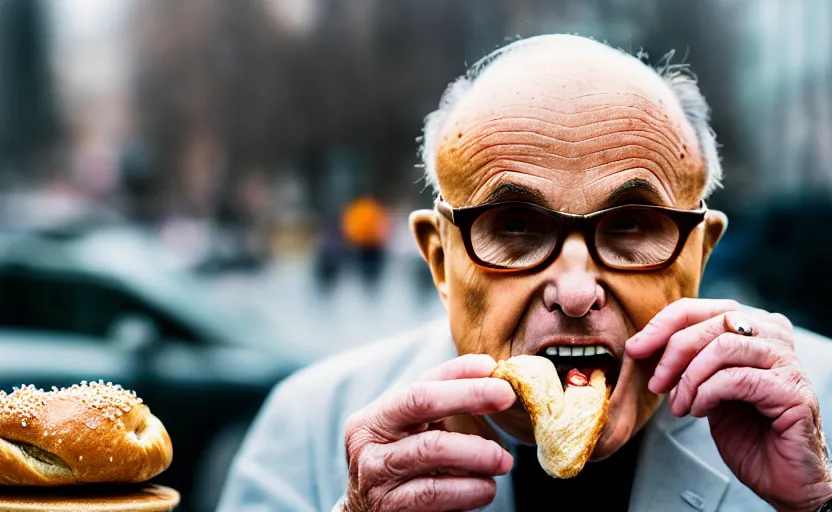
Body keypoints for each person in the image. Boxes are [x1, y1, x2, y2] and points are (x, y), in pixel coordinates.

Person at [217, 34, 832, 512]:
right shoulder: (309, 426)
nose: (574, 291)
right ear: (439, 257)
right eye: (514, 226)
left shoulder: (819, 405)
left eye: (630, 226)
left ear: (698, 253)